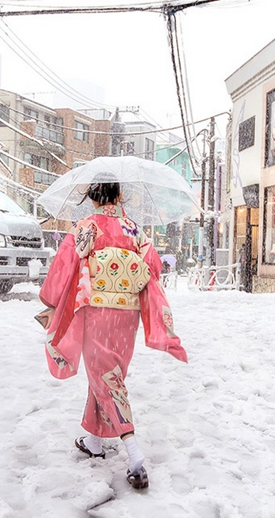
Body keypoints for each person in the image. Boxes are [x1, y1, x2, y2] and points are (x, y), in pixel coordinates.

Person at [37, 181, 187, 491]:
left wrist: (53, 301)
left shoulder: (87, 227)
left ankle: (134, 454)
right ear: (119, 196)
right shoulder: (135, 230)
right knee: (109, 376)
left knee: (105, 378)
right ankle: (94, 441)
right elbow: (153, 267)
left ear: (92, 198)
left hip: (98, 313)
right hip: (127, 315)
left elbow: (64, 267)